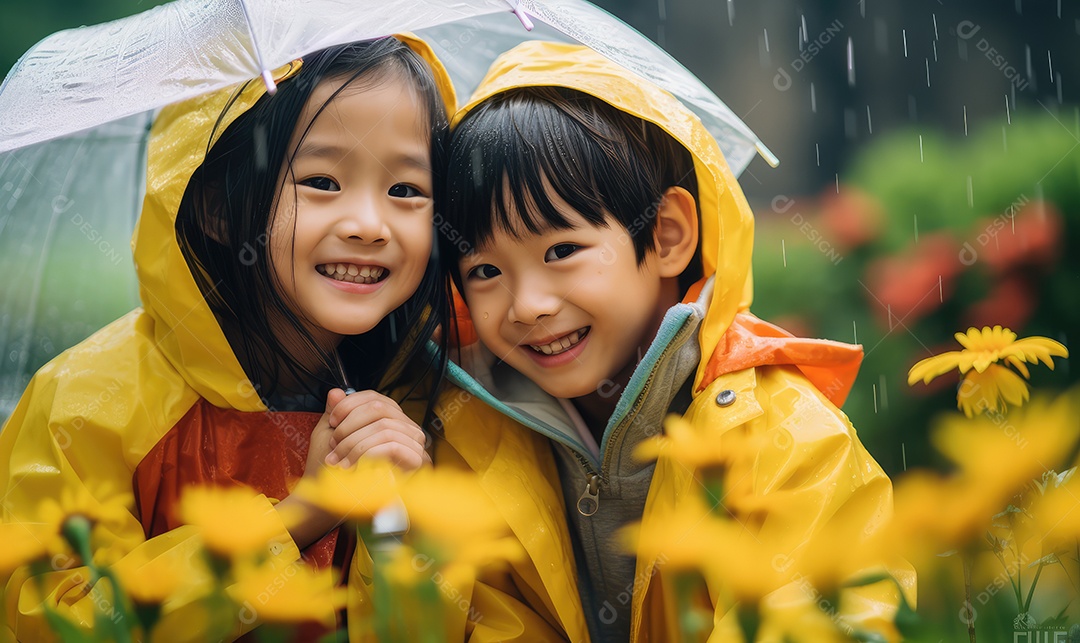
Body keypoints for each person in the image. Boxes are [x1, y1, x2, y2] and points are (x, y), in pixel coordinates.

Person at [435, 41, 916, 642]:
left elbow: (829, 621)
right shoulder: (463, 441)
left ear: (665, 236)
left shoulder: (786, 440)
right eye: (484, 271)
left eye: (562, 251)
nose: (528, 305)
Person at [0, 35, 456, 640]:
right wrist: (303, 515)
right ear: (215, 205)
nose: (370, 225)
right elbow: (56, 618)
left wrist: (399, 521)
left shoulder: (425, 398)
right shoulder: (86, 402)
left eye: (405, 191)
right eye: (321, 182)